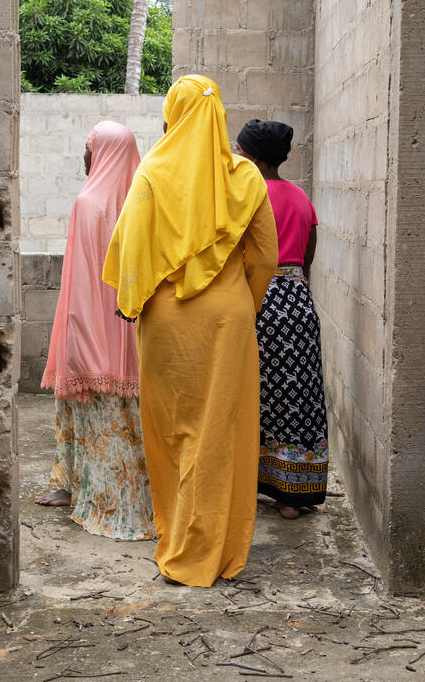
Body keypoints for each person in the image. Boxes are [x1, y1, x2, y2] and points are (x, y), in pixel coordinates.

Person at [103, 75, 278, 587]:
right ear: (220, 117)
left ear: (172, 113)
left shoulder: (153, 171)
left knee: (173, 432)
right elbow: (265, 255)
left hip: (166, 320)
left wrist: (133, 302)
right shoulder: (245, 177)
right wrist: (241, 302)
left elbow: (130, 247)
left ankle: (178, 542)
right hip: (228, 319)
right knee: (223, 432)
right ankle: (220, 554)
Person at [38, 121, 154, 541]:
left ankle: (97, 495)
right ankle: (131, 494)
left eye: (88, 148)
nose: (84, 157)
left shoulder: (88, 202)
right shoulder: (143, 200)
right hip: (135, 329)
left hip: (93, 326)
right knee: (134, 420)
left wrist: (78, 343)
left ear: (100, 152)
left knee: (89, 410)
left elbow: (84, 280)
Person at [235, 120, 329, 520]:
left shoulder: (246, 194)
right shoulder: (301, 198)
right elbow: (307, 258)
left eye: (239, 152)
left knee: (254, 392)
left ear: (254, 158)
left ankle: (250, 482)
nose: (236, 157)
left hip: (258, 299)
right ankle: (293, 495)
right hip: (298, 302)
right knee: (298, 395)